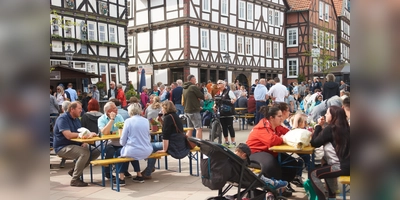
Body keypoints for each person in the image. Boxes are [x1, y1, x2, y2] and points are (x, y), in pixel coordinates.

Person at [246, 106, 294, 197]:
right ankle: (272, 190)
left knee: (292, 163)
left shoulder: (276, 126)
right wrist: (282, 139)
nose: (282, 118)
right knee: (271, 164)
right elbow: (271, 141)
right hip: (254, 153)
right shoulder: (262, 127)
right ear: (271, 118)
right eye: (279, 116)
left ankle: (282, 187)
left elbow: (288, 132)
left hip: (267, 151)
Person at [53, 101, 100, 187]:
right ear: (72, 109)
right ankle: (75, 179)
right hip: (62, 147)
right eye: (79, 109)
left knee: (96, 151)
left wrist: (84, 141)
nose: (81, 111)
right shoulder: (62, 119)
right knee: (85, 153)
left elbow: (82, 131)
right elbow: (68, 135)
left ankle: (74, 170)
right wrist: (83, 136)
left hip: (75, 145)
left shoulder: (77, 119)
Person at [310, 106, 350, 200]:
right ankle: (331, 197)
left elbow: (315, 143)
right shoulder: (347, 128)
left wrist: (318, 126)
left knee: (313, 174)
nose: (325, 115)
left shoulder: (331, 129)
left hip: (342, 167)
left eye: (327, 113)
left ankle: (322, 198)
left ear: (333, 116)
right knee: (326, 164)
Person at [142, 101, 189, 179]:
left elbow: (166, 136)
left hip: (173, 145)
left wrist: (164, 149)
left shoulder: (167, 118)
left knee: (150, 146)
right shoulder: (174, 116)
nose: (161, 110)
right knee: (153, 146)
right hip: (180, 143)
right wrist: (161, 121)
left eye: (162, 108)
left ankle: (148, 171)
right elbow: (171, 129)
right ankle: (150, 167)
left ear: (165, 108)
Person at [116, 103, 153, 185]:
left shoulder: (128, 121)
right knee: (130, 152)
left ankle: (121, 177)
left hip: (133, 150)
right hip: (146, 150)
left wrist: (124, 144)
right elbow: (148, 136)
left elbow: (122, 141)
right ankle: (138, 175)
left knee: (120, 152)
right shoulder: (146, 120)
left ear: (130, 111)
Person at [98, 102, 131, 179]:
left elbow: (123, 129)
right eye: (114, 108)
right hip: (107, 142)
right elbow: (105, 132)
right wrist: (112, 119)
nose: (117, 109)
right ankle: (107, 172)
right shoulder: (101, 119)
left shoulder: (119, 117)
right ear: (108, 111)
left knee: (125, 150)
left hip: (119, 141)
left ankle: (123, 170)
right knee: (110, 150)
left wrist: (112, 132)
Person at [214, 80, 236, 148]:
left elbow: (234, 99)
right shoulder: (218, 93)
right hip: (221, 113)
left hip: (228, 112)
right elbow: (216, 102)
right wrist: (214, 106)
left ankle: (233, 142)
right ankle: (226, 141)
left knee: (230, 127)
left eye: (219, 83)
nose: (218, 84)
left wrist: (232, 101)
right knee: (224, 127)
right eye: (217, 83)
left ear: (224, 85)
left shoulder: (229, 91)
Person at [183, 74, 205, 139]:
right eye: (195, 79)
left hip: (187, 110)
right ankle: (199, 144)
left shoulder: (184, 88)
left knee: (190, 128)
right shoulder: (193, 87)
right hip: (194, 110)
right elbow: (201, 95)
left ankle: (187, 144)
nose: (195, 81)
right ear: (192, 80)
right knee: (199, 128)